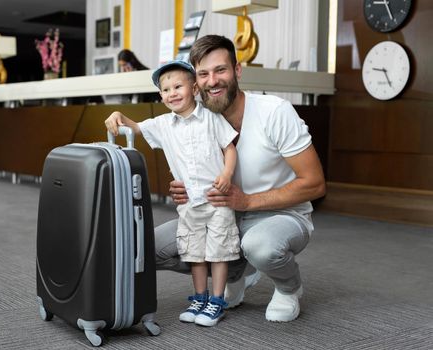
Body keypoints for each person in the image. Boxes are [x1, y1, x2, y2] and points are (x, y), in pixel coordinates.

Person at [155, 35, 326, 322]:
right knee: (151, 249)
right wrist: (183, 187)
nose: (213, 81)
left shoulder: (274, 111)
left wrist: (246, 201)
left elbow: (315, 183)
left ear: (237, 70)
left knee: (260, 246)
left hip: (279, 216)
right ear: (195, 81)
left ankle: (288, 288)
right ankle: (237, 272)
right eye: (204, 73)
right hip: (218, 217)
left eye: (220, 70)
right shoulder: (194, 118)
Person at [105, 60, 240, 326]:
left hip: (216, 201)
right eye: (166, 90)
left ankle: (216, 302)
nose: (172, 93)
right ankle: (200, 298)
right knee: (194, 254)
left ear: (194, 88)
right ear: (160, 96)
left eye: (178, 86)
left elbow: (230, 148)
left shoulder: (212, 118)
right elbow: (135, 128)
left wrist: (226, 175)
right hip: (189, 204)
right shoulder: (163, 124)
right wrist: (118, 114)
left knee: (219, 252)